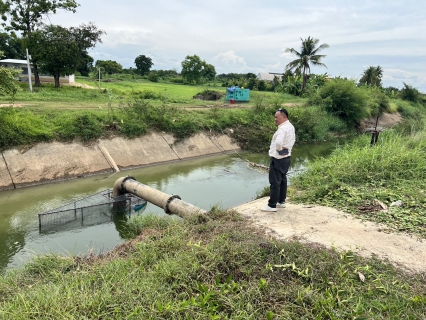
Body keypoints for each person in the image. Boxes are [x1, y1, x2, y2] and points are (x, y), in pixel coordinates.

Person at [261, 108, 295, 212]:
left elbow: (279, 142)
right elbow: (293, 140)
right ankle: (281, 201)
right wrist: (285, 151)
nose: (275, 119)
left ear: (284, 117)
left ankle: (271, 205)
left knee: (275, 182)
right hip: (286, 158)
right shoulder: (290, 127)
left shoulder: (282, 129)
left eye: (277, 117)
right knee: (283, 180)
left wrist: (279, 150)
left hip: (278, 158)